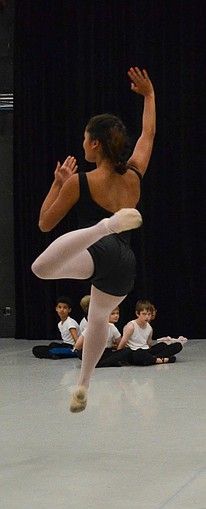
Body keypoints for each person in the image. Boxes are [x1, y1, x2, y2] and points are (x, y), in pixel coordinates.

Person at [31, 67, 156, 413]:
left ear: (95, 143)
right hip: (125, 265)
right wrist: (149, 96)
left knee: (41, 267)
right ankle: (83, 384)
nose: (83, 143)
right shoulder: (133, 174)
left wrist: (58, 184)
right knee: (99, 317)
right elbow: (148, 134)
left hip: (99, 247)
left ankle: (104, 226)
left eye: (86, 138)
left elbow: (44, 224)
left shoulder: (80, 182)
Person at [116, 299, 182, 365]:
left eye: (149, 314)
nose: (147, 317)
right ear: (137, 314)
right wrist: (118, 357)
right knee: (139, 353)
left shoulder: (149, 327)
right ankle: (160, 359)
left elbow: (148, 345)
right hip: (134, 352)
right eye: (144, 314)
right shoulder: (131, 326)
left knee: (171, 345)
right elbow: (122, 344)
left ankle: (152, 359)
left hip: (146, 351)